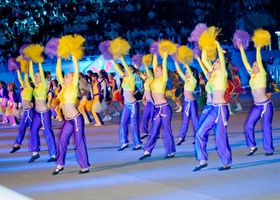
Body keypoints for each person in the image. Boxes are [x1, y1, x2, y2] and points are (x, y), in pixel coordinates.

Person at [52, 35, 90, 175]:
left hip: (76, 119)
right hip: (68, 120)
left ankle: (84, 165)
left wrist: (73, 54)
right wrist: (59, 57)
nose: (66, 77)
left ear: (72, 79)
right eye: (66, 76)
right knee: (62, 141)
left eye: (68, 76)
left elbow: (76, 67)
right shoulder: (63, 87)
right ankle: (59, 163)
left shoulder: (73, 86)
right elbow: (57, 72)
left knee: (79, 141)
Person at [193, 39, 232, 171]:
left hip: (221, 108)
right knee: (199, 132)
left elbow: (222, 58)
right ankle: (202, 159)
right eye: (215, 61)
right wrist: (204, 44)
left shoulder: (223, 73)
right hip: (213, 108)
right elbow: (204, 60)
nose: (214, 62)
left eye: (216, 61)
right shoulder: (214, 74)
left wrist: (217, 44)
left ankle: (226, 162)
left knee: (220, 137)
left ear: (222, 64)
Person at [139, 46, 176, 160]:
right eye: (155, 70)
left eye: (158, 70)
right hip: (156, 108)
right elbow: (155, 64)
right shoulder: (153, 79)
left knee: (166, 130)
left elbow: (163, 66)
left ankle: (170, 151)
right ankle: (147, 151)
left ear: (162, 72)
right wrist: (154, 53)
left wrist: (165, 54)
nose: (155, 71)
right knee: (154, 130)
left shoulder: (163, 79)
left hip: (164, 108)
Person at [238, 40, 274, 156]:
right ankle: (252, 147)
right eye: (253, 65)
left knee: (266, 127)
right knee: (248, 124)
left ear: (260, 67)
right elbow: (245, 62)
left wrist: (258, 48)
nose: (253, 66)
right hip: (257, 106)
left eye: (255, 65)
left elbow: (258, 59)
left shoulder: (262, 74)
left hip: (266, 105)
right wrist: (242, 50)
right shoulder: (252, 75)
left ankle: (269, 149)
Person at [26, 44, 57, 163]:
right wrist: (29, 62)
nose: (35, 77)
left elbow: (40, 71)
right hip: (37, 113)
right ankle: (35, 152)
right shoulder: (36, 85)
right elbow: (30, 74)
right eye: (35, 76)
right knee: (33, 131)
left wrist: (38, 60)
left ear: (42, 77)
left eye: (37, 76)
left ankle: (53, 154)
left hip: (45, 112)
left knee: (48, 132)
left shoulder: (44, 85)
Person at [111, 58, 142, 151]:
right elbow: (118, 68)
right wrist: (111, 59)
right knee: (123, 123)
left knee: (133, 124)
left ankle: (138, 144)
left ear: (132, 71)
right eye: (125, 69)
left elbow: (126, 69)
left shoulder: (132, 78)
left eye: (128, 69)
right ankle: (124, 142)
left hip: (133, 105)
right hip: (126, 105)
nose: (125, 71)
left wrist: (121, 59)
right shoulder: (124, 77)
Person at [174, 51, 198, 146]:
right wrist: (176, 62)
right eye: (186, 72)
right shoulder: (186, 79)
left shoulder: (193, 80)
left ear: (191, 73)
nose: (186, 73)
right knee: (185, 120)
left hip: (192, 102)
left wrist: (186, 64)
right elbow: (179, 72)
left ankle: (197, 137)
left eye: (187, 72)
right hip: (186, 102)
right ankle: (181, 137)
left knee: (195, 120)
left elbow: (190, 74)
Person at [10, 58, 34, 153]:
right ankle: (17, 144)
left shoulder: (29, 89)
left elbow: (24, 79)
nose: (22, 83)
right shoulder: (23, 90)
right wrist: (18, 70)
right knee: (21, 128)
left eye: (24, 82)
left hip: (30, 111)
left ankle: (35, 146)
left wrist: (26, 69)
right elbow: (20, 79)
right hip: (25, 111)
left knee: (32, 130)